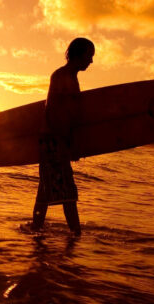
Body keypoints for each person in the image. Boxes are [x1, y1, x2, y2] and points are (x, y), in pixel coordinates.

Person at [30, 37, 95, 236]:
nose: (91, 61)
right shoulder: (62, 76)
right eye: (89, 56)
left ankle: (36, 231)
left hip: (54, 140)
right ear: (78, 54)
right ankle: (75, 234)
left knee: (46, 190)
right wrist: (66, 144)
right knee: (66, 191)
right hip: (54, 141)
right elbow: (53, 111)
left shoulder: (69, 76)